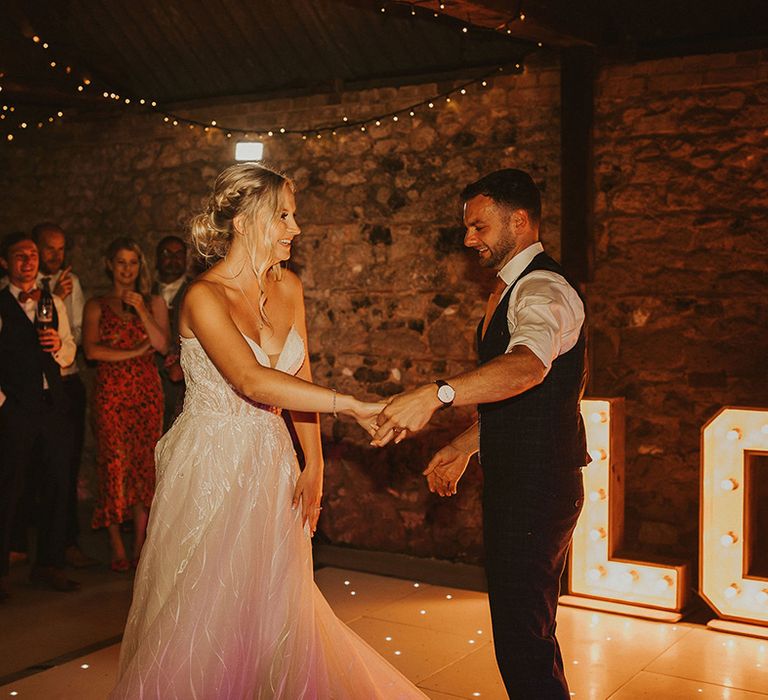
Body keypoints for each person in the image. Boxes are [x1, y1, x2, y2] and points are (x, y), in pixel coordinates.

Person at [110, 162, 427, 699]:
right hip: (211, 464)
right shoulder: (202, 298)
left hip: (274, 461)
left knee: (276, 603)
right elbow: (252, 379)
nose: (295, 229)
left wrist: (315, 464)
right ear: (242, 221)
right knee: (207, 607)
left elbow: (297, 375)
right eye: (283, 216)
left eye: (293, 216)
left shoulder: (290, 287)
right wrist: (350, 404)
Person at [372, 169, 589, 700]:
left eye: (478, 226)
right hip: (526, 478)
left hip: (538, 485)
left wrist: (435, 393)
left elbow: (527, 369)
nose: (469, 238)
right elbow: (520, 401)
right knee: (526, 629)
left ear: (519, 220)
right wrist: (462, 445)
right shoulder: (513, 287)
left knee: (522, 637)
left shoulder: (542, 287)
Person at [83, 238, 169, 572]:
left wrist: (142, 312)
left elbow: (161, 345)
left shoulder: (153, 302)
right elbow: (92, 351)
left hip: (146, 393)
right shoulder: (96, 305)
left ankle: (140, 544)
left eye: (133, 262)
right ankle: (117, 544)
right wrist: (134, 352)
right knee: (114, 464)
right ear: (110, 265)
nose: (127, 269)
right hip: (111, 394)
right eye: (120, 262)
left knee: (144, 466)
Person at [0, 233, 79, 598]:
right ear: (6, 263)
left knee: (57, 483)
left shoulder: (53, 301)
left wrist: (59, 346)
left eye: (32, 255)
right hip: (15, 408)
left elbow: (69, 351)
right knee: (9, 488)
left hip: (52, 404)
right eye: (20, 256)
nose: (28, 261)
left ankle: (49, 564)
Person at [32, 222, 97, 569]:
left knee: (66, 467)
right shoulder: (15, 289)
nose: (55, 255)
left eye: (60, 249)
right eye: (48, 248)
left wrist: (61, 297)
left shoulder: (72, 287)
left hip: (65, 382)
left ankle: (66, 542)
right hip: (28, 388)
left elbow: (77, 335)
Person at [152, 235, 192, 431]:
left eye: (179, 254)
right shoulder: (143, 290)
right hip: (148, 378)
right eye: (167, 254)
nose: (173, 259)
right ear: (157, 258)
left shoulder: (195, 290)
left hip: (183, 381)